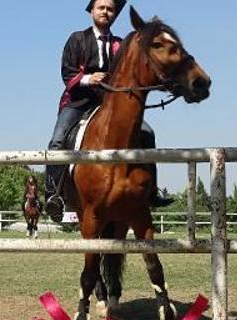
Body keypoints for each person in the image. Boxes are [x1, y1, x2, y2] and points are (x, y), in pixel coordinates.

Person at [44, 0, 173, 223]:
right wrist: (88, 78)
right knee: (57, 140)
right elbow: (67, 73)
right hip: (78, 102)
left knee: (147, 132)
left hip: (111, 105)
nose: (106, 11)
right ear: (91, 11)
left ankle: (151, 191)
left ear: (114, 15)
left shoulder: (120, 44)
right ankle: (53, 194)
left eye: (110, 9)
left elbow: (130, 73)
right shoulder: (77, 39)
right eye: (101, 7)